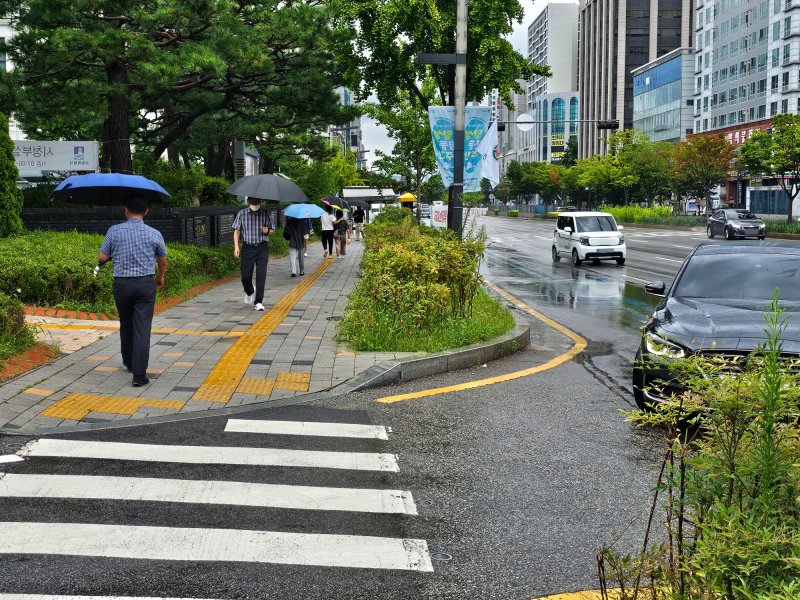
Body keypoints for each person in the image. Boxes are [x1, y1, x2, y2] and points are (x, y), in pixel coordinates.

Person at [97, 193, 167, 387]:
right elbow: (162, 260)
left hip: (122, 285)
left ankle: (128, 362)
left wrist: (110, 256)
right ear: (146, 211)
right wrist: (159, 277)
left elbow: (102, 257)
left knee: (126, 323)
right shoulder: (154, 233)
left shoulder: (114, 231)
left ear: (125, 211)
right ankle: (139, 375)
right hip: (145, 285)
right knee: (142, 328)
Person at [233, 197, 274, 311]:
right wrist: (236, 246)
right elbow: (237, 231)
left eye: (256, 201)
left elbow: (272, 231)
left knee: (261, 275)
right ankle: (249, 291)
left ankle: (258, 301)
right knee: (245, 276)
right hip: (247, 247)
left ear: (260, 201)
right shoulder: (242, 214)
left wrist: (268, 231)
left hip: (262, 247)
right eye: (252, 201)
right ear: (248, 202)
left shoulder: (265, 214)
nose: (254, 203)